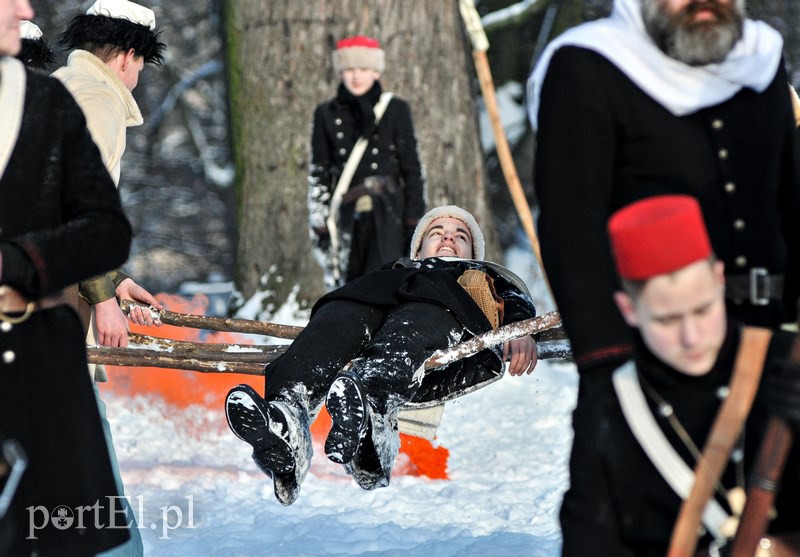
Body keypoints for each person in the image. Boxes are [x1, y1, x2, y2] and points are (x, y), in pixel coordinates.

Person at [527, 0, 800, 379]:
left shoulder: (760, 61)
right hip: (649, 358)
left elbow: (788, 204)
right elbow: (573, 235)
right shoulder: (587, 66)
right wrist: (608, 366)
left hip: (770, 348)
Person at [225, 206, 538, 505]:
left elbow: (516, 300)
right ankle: (286, 418)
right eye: (437, 232)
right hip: (381, 313)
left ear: (473, 254)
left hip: (440, 326)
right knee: (339, 313)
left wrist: (520, 331)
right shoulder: (392, 272)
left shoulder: (481, 275)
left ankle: (371, 420)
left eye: (461, 236)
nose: (448, 238)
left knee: (417, 319)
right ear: (418, 250)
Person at [560, 195, 800, 556]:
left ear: (719, 280)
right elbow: (590, 542)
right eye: (667, 320)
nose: (692, 337)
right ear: (629, 310)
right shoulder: (610, 408)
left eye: (703, 310)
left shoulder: (786, 362)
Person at [0, 0, 134, 553]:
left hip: (35, 352)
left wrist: (23, 262)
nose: (25, 9)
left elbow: (104, 228)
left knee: (68, 535)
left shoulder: (46, 101)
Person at [54, 0, 166, 353]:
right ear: (125, 57)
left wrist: (116, 280)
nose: (137, 76)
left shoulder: (60, 86)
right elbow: (72, 208)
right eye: (140, 65)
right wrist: (103, 299)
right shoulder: (100, 100)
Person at [308, 35, 427, 288]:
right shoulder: (326, 114)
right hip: (346, 215)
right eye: (349, 69)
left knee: (388, 280)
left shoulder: (395, 109)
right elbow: (319, 170)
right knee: (350, 284)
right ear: (340, 72)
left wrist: (413, 218)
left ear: (375, 71)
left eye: (363, 69)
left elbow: (412, 167)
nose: (356, 76)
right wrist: (319, 218)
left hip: (390, 212)